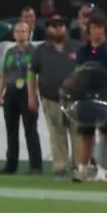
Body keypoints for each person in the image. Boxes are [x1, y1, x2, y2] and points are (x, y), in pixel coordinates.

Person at [71, 14, 107, 181]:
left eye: (100, 28)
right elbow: (78, 72)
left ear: (105, 30)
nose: (97, 31)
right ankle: (83, 169)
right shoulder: (82, 51)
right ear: (88, 31)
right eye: (94, 28)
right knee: (85, 134)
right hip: (86, 97)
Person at [32, 14, 79, 178]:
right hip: (50, 98)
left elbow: (83, 69)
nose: (57, 28)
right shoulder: (40, 50)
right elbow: (32, 73)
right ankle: (60, 167)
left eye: (60, 25)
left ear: (65, 28)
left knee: (78, 133)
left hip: (75, 99)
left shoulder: (75, 47)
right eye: (53, 25)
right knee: (56, 133)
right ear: (47, 29)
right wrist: (32, 97)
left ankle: (79, 166)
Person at [0, 21, 41, 175]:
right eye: (18, 31)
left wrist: (33, 96)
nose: (21, 34)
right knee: (11, 130)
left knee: (30, 130)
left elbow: (37, 75)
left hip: (27, 92)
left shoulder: (35, 52)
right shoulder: (10, 52)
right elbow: (4, 74)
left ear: (28, 33)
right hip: (11, 91)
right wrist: (0, 94)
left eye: (24, 31)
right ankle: (11, 164)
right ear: (14, 34)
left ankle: (35, 165)